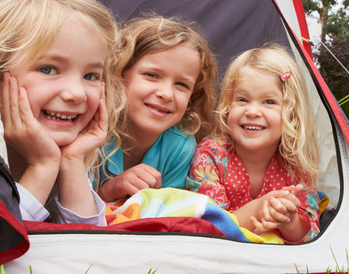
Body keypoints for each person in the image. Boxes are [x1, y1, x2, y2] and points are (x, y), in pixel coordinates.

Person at [0, 0, 119, 224]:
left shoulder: (71, 156)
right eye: (48, 69)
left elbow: (89, 253)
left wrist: (73, 162)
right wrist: (41, 167)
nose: (76, 93)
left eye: (90, 75)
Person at [187, 44, 321, 243]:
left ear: (291, 115)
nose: (252, 111)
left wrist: (289, 221)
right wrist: (258, 209)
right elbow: (208, 226)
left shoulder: (296, 165)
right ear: (227, 106)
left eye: (269, 102)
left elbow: (310, 235)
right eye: (242, 99)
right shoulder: (210, 155)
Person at [96, 16, 218, 203]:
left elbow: (167, 216)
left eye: (182, 85)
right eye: (152, 75)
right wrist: (108, 191)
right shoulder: (93, 129)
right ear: (119, 74)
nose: (167, 94)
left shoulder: (180, 146)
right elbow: (66, 211)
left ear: (193, 96)